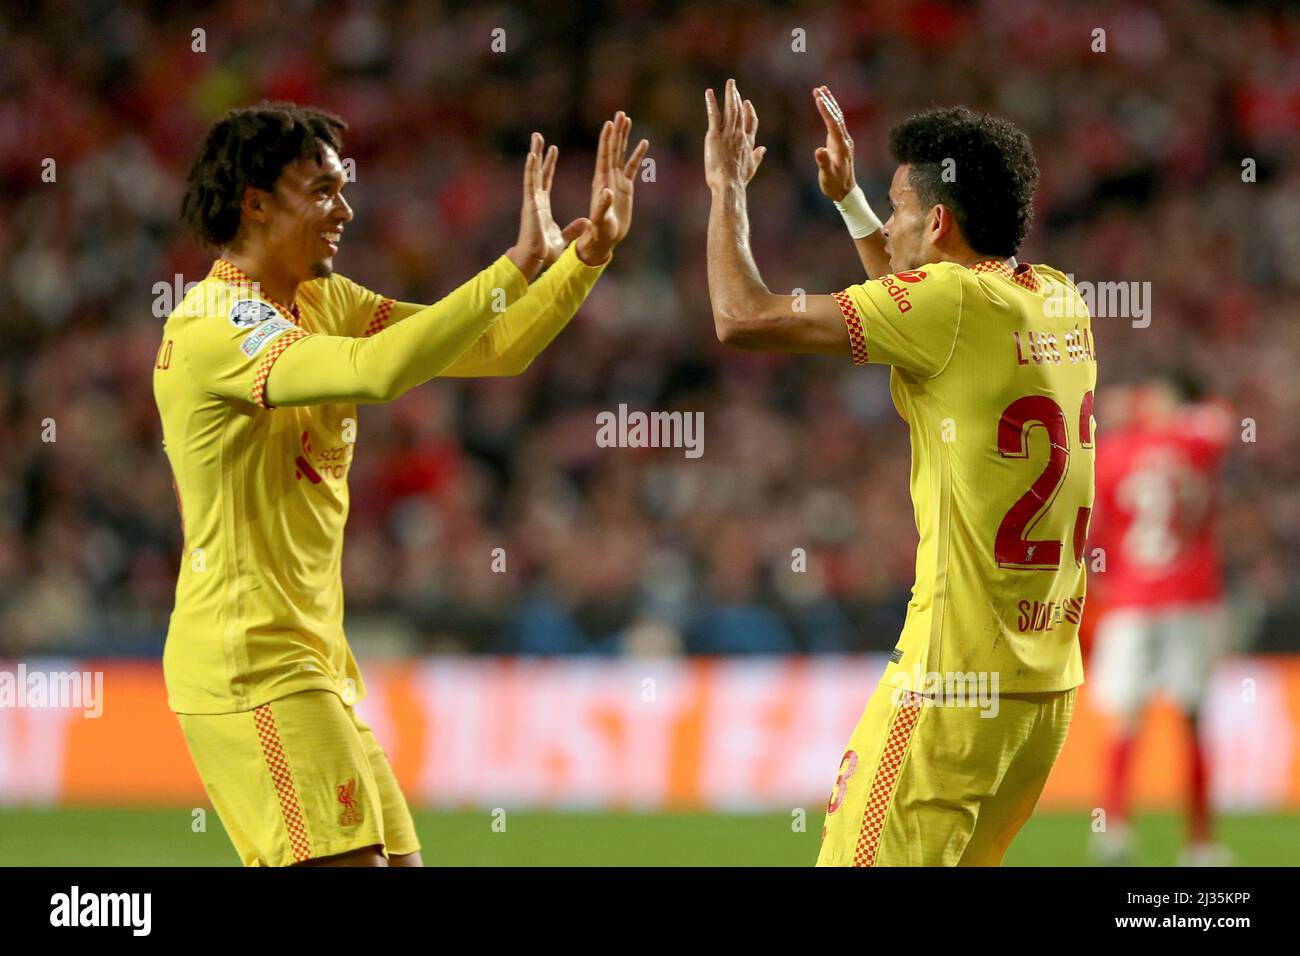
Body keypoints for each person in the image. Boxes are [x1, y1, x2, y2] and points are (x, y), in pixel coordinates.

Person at [155, 102, 648, 866]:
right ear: (256, 203)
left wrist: (585, 259)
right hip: (249, 664)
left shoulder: (325, 301)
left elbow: (495, 346)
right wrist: (515, 264)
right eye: (322, 191)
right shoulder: (215, 325)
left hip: (315, 661)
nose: (344, 210)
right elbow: (377, 371)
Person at [704, 79, 1096, 865]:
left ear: (939, 222)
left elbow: (741, 318)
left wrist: (726, 192)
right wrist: (851, 202)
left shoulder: (948, 305)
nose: (890, 225)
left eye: (898, 208)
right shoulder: (1058, 299)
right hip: (1042, 690)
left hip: (950, 679)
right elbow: (913, 296)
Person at [1088, 371, 1234, 866]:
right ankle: (1200, 841)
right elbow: (1221, 421)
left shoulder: (1113, 452)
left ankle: (1113, 828)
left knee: (1125, 717)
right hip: (1191, 595)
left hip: (1130, 599)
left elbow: (1097, 529)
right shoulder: (1194, 440)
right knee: (1192, 717)